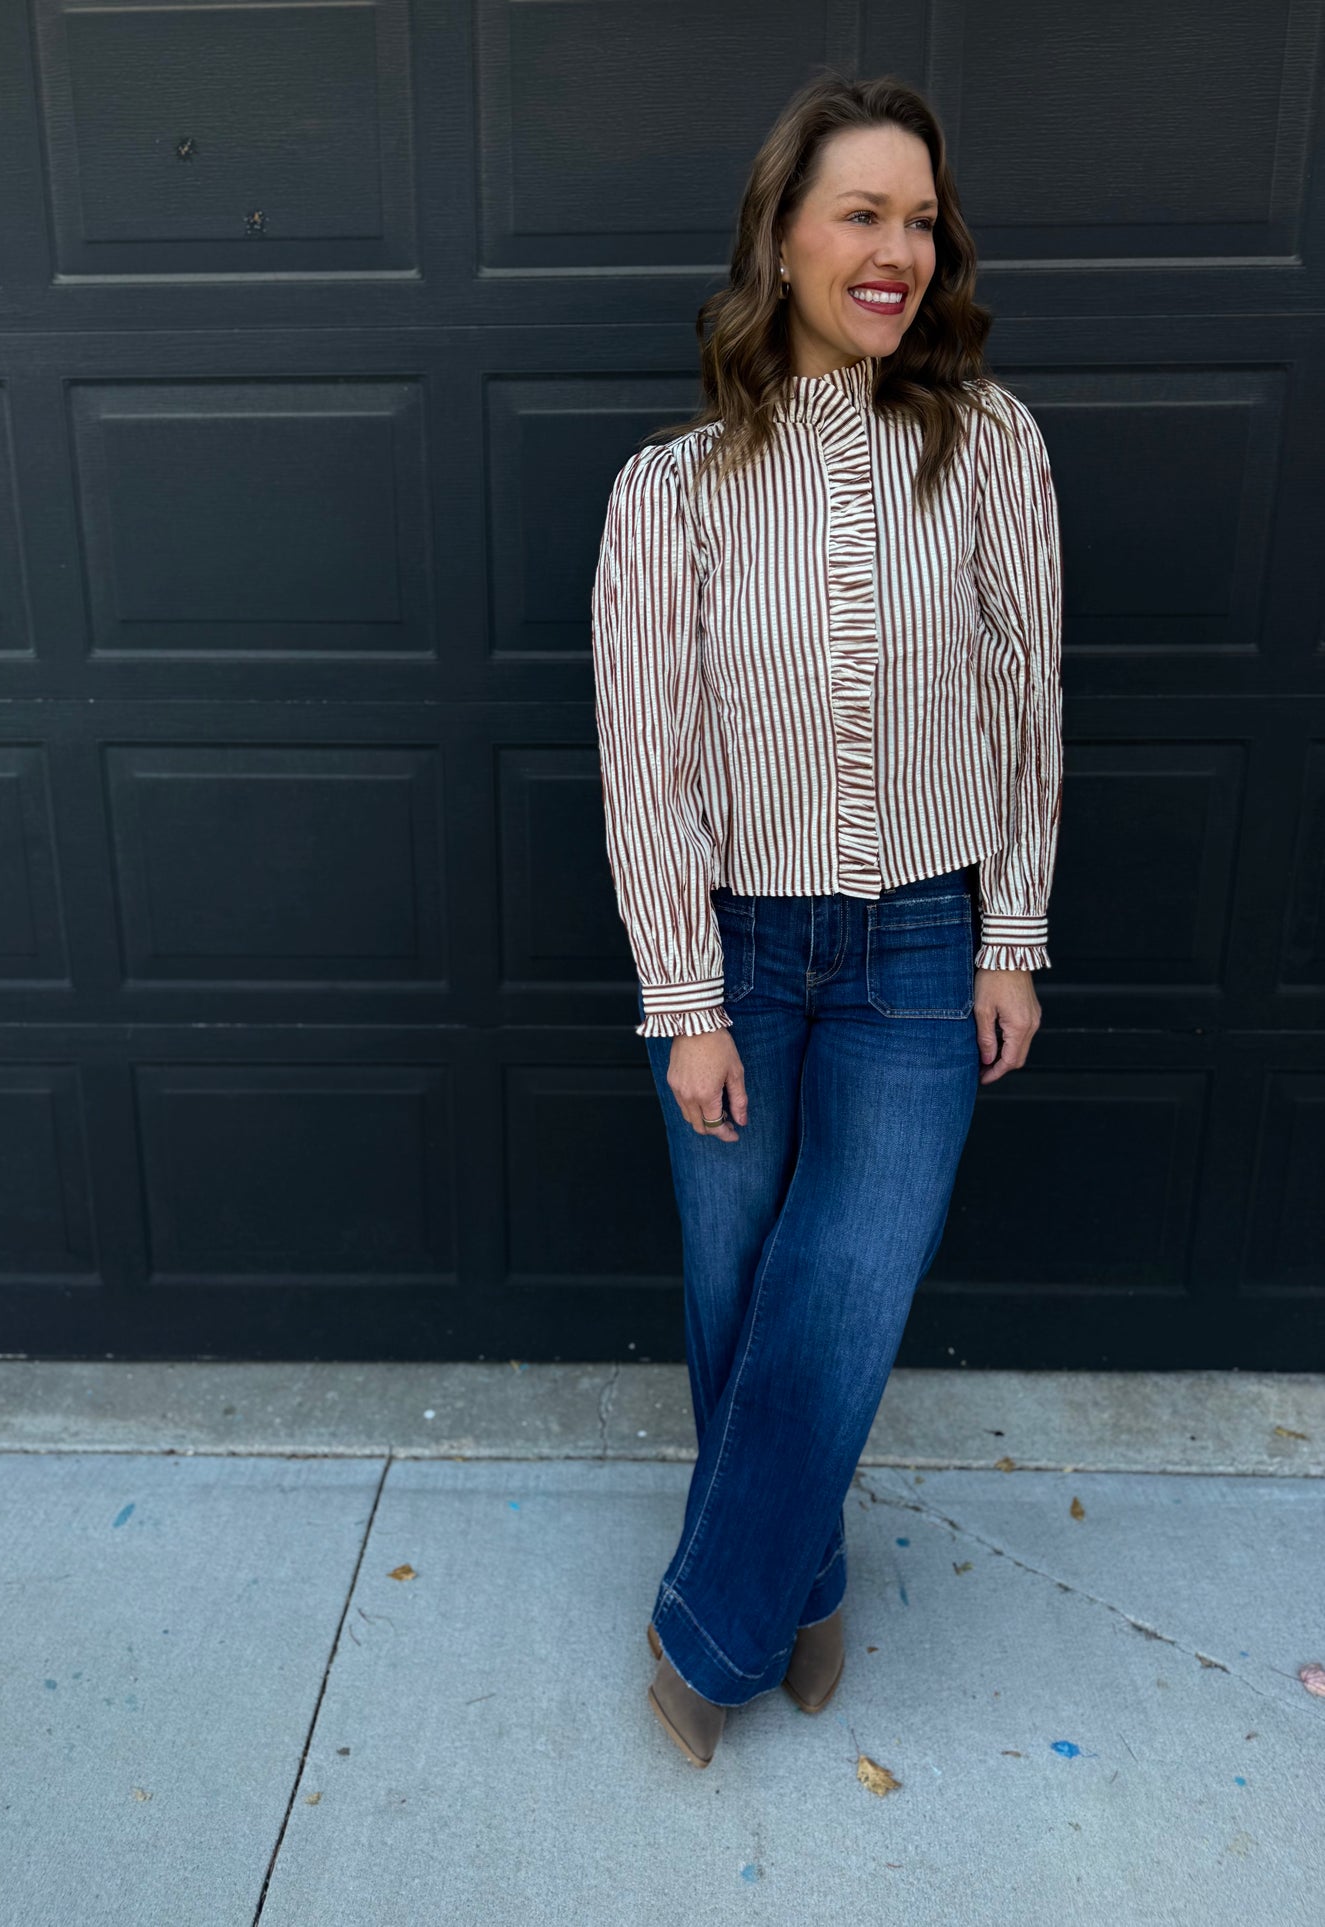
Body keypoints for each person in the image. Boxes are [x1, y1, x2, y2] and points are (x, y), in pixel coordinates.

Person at [588, 70, 1063, 1770]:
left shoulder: (988, 441)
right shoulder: (671, 488)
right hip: (736, 949)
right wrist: (683, 999)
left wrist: (1010, 939)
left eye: (918, 218)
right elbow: (644, 761)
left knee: (842, 1285)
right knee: (736, 1292)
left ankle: (705, 1633)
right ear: (780, 238)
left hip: (921, 949)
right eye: (859, 214)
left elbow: (1028, 705)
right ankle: (803, 1582)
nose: (895, 251)